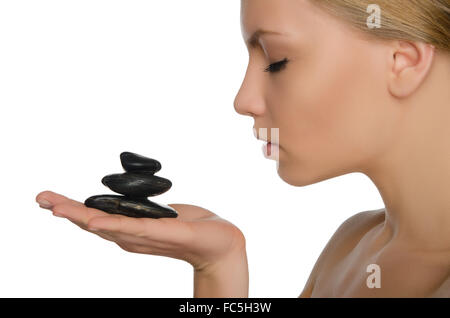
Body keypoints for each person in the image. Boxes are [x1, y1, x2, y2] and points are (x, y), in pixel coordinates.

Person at [35, 0, 450, 297]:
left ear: (403, 61)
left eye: (276, 60)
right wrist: (219, 265)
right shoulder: (353, 244)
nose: (244, 100)